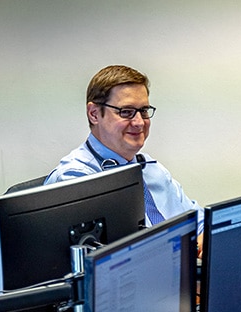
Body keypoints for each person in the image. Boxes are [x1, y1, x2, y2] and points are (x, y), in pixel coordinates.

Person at [45, 65, 199, 226]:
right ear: (94, 114)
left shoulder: (152, 169)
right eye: (126, 111)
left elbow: (201, 222)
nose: (139, 122)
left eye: (144, 111)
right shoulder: (75, 180)